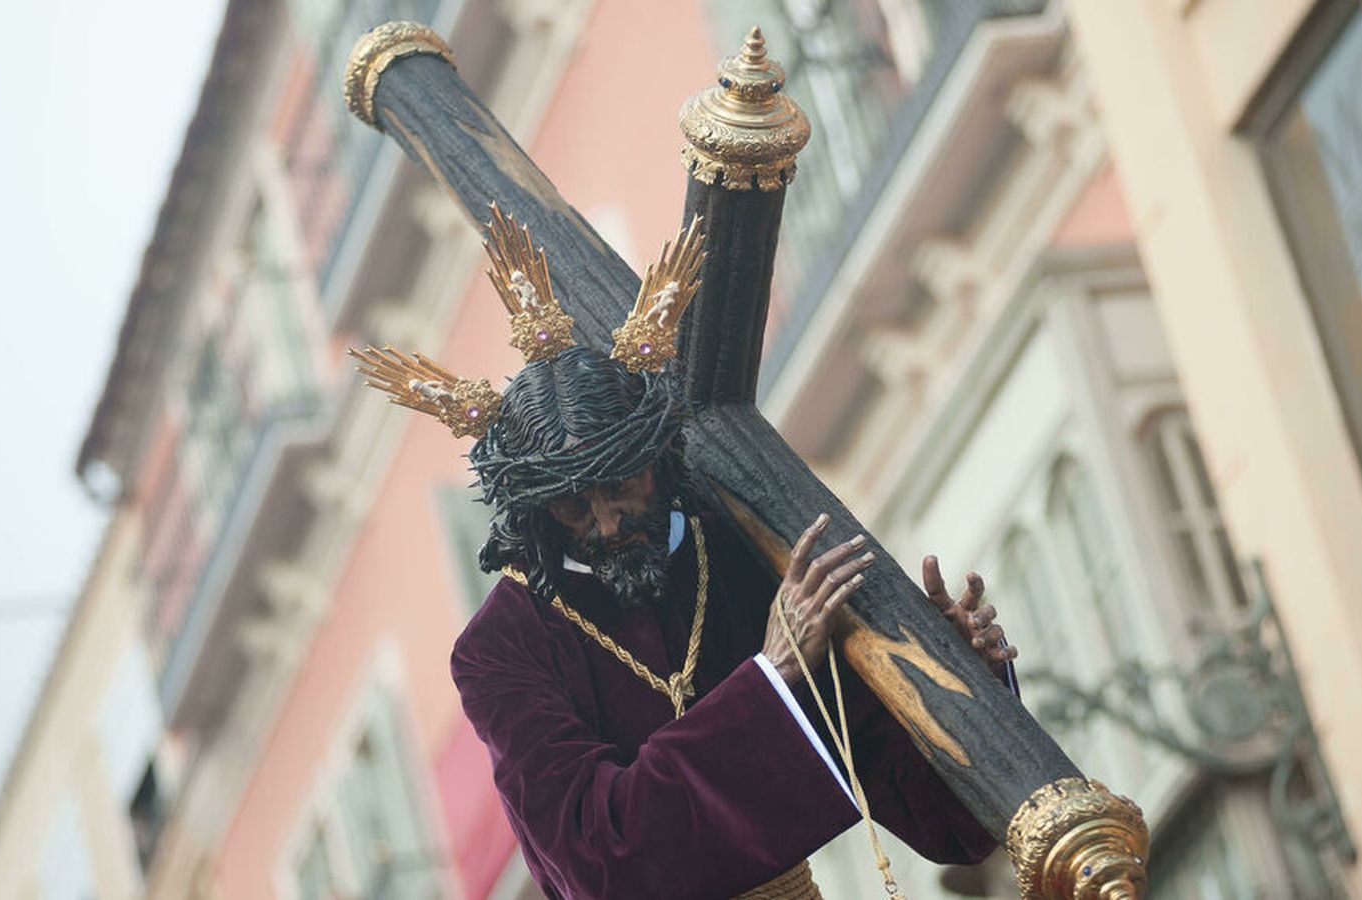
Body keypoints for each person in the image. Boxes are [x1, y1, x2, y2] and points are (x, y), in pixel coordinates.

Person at [353, 210, 1018, 899]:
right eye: (573, 507)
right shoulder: (502, 648)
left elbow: (943, 820)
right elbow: (602, 864)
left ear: (656, 458)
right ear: (538, 514)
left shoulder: (739, 545)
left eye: (620, 486)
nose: (607, 523)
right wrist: (771, 678)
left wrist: (960, 681)